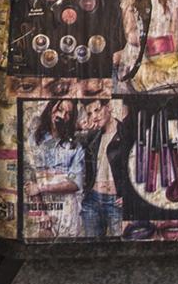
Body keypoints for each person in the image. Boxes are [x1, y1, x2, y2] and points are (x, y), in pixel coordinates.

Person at [24, 98, 87, 238]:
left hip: (68, 210)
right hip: (43, 207)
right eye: (60, 109)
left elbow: (75, 183)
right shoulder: (35, 140)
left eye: (68, 113)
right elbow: (31, 181)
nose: (63, 116)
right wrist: (42, 213)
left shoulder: (75, 146)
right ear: (51, 109)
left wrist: (41, 187)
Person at [77, 98, 131, 238]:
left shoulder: (126, 132)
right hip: (92, 200)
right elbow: (72, 141)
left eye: (97, 110)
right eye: (90, 113)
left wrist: (130, 193)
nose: (94, 116)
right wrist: (81, 127)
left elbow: (138, 164)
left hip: (116, 202)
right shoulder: (93, 136)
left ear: (109, 107)